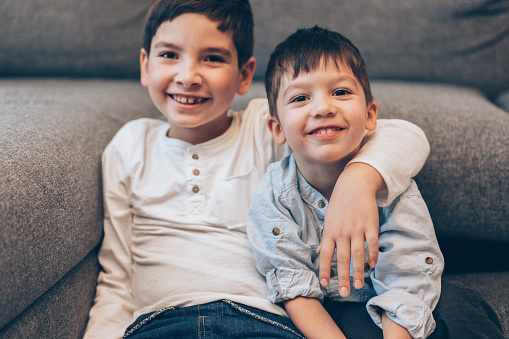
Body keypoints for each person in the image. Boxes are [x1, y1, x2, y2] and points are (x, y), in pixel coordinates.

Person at [83, 1, 432, 338]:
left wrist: (359, 179)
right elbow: (115, 275)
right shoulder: (129, 146)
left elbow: (406, 135)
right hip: (159, 322)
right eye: (169, 55)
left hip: (261, 318)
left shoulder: (263, 127)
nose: (188, 77)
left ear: (244, 75)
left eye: (213, 58)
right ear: (145, 66)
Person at [247, 26, 505, 339]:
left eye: (340, 92)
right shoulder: (274, 194)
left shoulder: (389, 183)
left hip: (396, 307)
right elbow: (293, 286)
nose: (324, 108)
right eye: (301, 98)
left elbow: (407, 274)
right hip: (326, 316)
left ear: (371, 115)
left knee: (460, 308)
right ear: (277, 129)